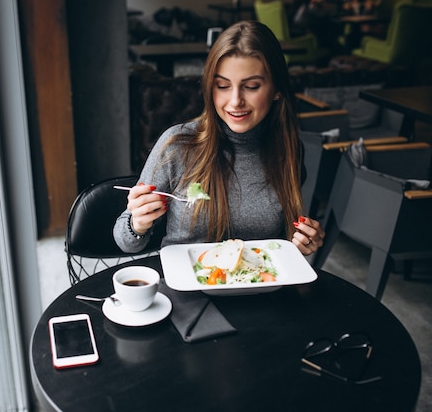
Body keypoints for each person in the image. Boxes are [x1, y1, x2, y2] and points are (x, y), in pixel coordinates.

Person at [113, 20, 324, 257]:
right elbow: (125, 241)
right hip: (186, 286)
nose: (235, 101)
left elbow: (283, 242)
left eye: (251, 86)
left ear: (277, 89)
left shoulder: (288, 148)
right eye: (223, 86)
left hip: (260, 287)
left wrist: (303, 242)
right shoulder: (177, 145)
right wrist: (138, 224)